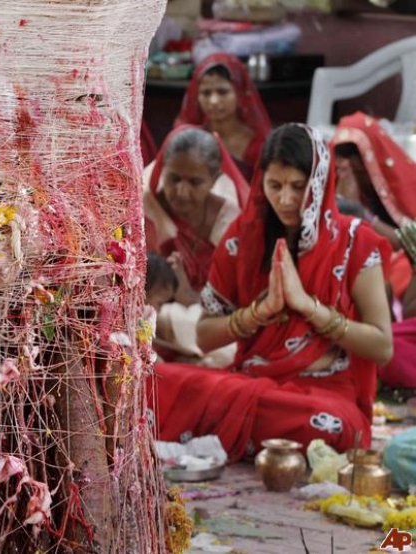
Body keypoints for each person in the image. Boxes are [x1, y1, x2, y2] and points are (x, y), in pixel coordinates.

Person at [152, 124, 392, 461]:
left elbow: (382, 346)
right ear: (261, 182)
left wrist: (309, 307)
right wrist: (257, 313)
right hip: (249, 383)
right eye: (275, 185)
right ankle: (238, 432)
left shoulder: (356, 241)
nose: (285, 199)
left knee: (331, 426)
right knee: (155, 381)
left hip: (323, 395)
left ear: (321, 183)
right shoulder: (242, 240)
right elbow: (204, 337)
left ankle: (223, 432)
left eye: (298, 186)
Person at [144, 126, 249, 365]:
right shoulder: (147, 208)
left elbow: (236, 299)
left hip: (213, 317)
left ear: (214, 179)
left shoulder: (229, 219)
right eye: (173, 179)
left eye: (195, 182)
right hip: (158, 313)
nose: (181, 192)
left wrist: (188, 295)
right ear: (162, 171)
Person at [332, 111, 416, 300]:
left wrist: (361, 213)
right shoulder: (344, 186)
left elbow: (410, 242)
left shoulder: (404, 181)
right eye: (340, 167)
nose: (346, 173)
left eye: (354, 167)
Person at [174, 53, 271, 182]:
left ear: (240, 93)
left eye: (222, 92)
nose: (213, 101)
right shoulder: (191, 139)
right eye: (206, 93)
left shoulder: (258, 146)